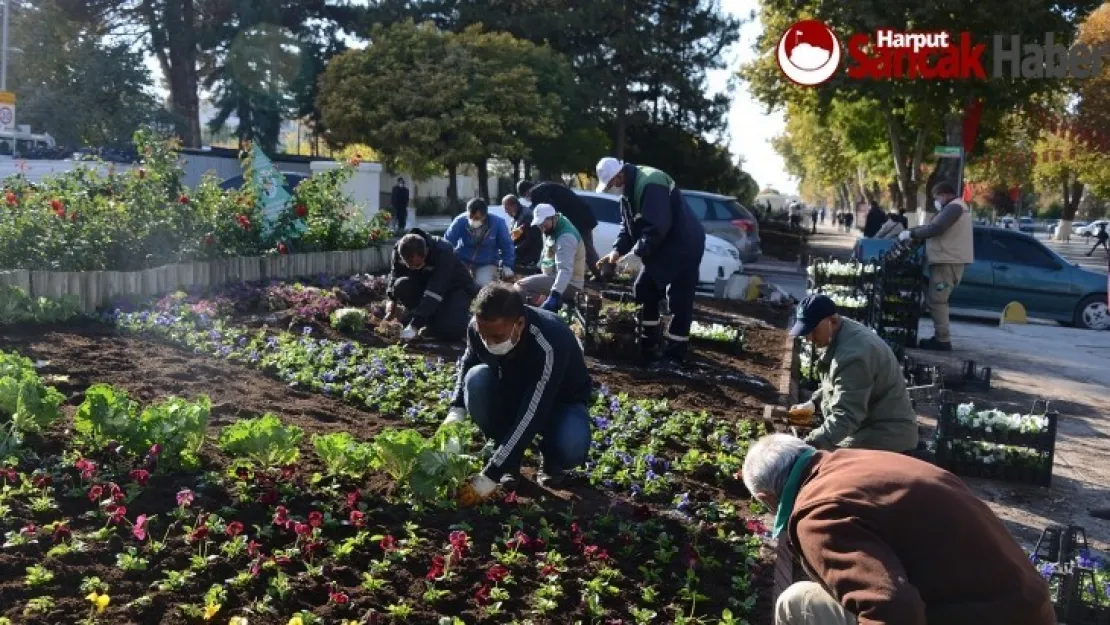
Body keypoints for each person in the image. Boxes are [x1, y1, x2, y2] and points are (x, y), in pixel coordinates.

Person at [742, 434, 1056, 625]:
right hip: (1025, 608)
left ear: (767, 498)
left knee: (796, 602)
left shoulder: (816, 515)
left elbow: (893, 609)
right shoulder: (855, 462)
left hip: (981, 617)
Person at [448, 283, 593, 504]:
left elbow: (533, 411)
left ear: (520, 323)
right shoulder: (478, 327)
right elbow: (469, 362)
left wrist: (490, 475)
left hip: (559, 402)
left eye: (497, 337)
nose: (488, 343)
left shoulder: (549, 343)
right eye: (484, 335)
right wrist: (456, 410)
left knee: (570, 445)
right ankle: (508, 458)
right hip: (512, 390)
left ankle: (550, 457)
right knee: (477, 379)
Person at [594, 157, 706, 364]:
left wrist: (638, 253)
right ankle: (649, 343)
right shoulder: (627, 194)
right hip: (664, 244)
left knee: (679, 298)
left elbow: (657, 226)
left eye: (611, 184)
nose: (612, 188)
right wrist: (617, 251)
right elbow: (628, 228)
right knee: (645, 289)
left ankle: (674, 354)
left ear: (619, 176)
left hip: (684, 243)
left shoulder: (650, 182)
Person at [788, 294, 919, 453]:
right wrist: (814, 403)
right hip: (868, 427)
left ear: (833, 320)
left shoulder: (853, 355)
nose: (809, 339)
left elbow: (846, 417)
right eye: (806, 332)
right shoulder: (843, 332)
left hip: (885, 435)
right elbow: (842, 383)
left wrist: (806, 446)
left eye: (814, 330)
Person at [898, 181, 974, 351]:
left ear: (945, 195)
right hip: (945, 262)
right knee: (935, 299)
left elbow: (936, 228)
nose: (936, 201)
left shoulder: (954, 208)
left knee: (938, 300)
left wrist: (911, 233)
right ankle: (941, 337)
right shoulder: (954, 208)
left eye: (936, 197)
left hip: (948, 263)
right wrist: (916, 232)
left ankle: (942, 340)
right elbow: (932, 227)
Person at [385, 230, 478, 342]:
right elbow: (395, 275)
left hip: (455, 289)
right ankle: (429, 321)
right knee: (401, 285)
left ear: (426, 252)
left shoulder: (443, 252)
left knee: (449, 331)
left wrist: (414, 326)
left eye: (417, 265)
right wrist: (391, 301)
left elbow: (435, 291)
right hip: (426, 285)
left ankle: (465, 319)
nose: (413, 268)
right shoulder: (400, 249)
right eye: (409, 266)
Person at [518, 179, 603, 281]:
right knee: (584, 247)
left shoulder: (538, 193)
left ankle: (600, 274)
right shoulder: (545, 187)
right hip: (582, 216)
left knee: (586, 247)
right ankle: (596, 273)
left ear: (526, 193)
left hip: (579, 219)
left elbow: (550, 211)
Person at [517, 203, 586, 312]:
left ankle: (538, 316)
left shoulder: (565, 237)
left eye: (544, 224)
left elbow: (565, 270)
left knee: (520, 287)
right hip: (552, 276)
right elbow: (546, 255)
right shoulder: (551, 228)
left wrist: (555, 294)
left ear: (553, 218)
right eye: (539, 224)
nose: (542, 227)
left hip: (570, 284)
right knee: (521, 282)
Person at [444, 198, 516, 287]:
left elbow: (507, 245)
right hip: (463, 261)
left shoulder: (497, 223)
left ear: (485, 215)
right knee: (459, 285)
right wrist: (447, 262)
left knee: (482, 286)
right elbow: (447, 243)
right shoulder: (460, 221)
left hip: (487, 263)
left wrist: (507, 265)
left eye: (477, 218)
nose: (473, 220)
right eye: (470, 217)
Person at [503, 194, 542, 268]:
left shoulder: (526, 216)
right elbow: (514, 236)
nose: (505, 212)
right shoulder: (516, 216)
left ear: (514, 206)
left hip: (529, 258)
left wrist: (512, 250)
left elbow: (530, 240)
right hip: (521, 253)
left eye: (507, 208)